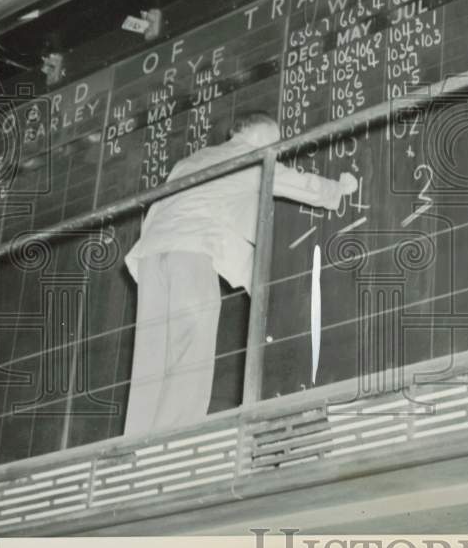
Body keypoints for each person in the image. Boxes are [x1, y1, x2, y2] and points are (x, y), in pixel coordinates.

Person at [122, 110, 357, 436]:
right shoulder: (249, 156)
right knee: (192, 345)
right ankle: (172, 438)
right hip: (190, 251)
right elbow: (294, 182)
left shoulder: (192, 160)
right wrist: (338, 189)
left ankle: (134, 441)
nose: (278, 146)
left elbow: (162, 210)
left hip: (151, 256)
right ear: (259, 134)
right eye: (275, 139)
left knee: (151, 354)